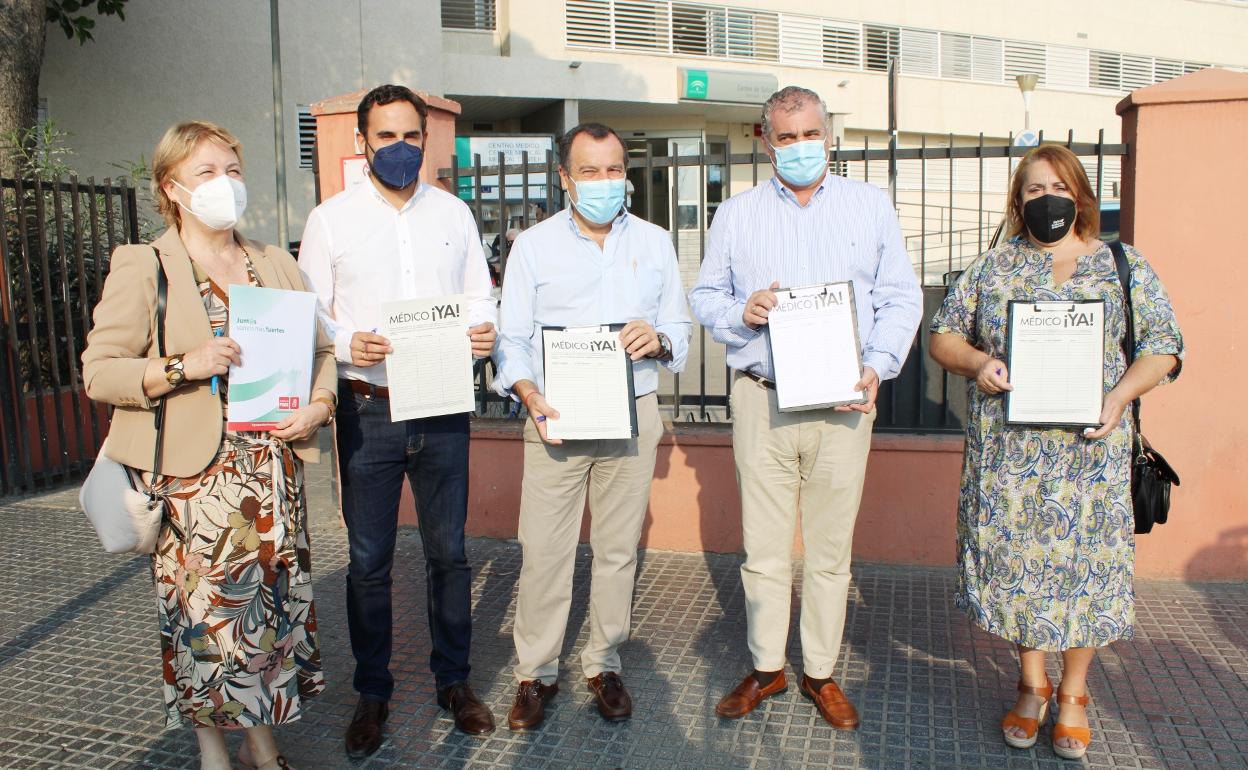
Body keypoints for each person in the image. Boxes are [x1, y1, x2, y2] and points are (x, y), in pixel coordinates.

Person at [82, 121, 337, 770]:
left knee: (264, 625)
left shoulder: (275, 261)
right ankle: (214, 756)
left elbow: (323, 350)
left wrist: (320, 404)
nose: (224, 184)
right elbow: (100, 370)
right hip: (194, 489)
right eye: (205, 173)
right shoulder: (145, 265)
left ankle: (260, 746)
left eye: (230, 169)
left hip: (271, 478)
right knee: (206, 629)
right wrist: (181, 366)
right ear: (172, 188)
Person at [929, 144, 1182, 760]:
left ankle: (1073, 694)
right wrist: (979, 362)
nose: (1049, 200)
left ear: (1080, 195)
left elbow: (1165, 348)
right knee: (1021, 573)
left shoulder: (1124, 265)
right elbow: (943, 337)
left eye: (1060, 188)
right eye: (1036, 190)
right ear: (1019, 200)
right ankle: (1031, 684)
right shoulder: (992, 268)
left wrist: (1119, 396)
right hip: (1011, 462)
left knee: (1084, 575)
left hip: (1090, 459)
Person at [688, 86, 922, 730]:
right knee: (763, 550)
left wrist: (877, 366)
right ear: (765, 141)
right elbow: (704, 295)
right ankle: (767, 668)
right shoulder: (736, 216)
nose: (798, 147)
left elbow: (902, 298)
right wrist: (742, 310)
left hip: (845, 403)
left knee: (829, 551)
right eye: (785, 137)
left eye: (809, 134)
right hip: (763, 401)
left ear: (829, 135)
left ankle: (819, 672)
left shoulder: (869, 207)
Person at [297, 84, 498, 755]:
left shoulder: (454, 213)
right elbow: (313, 309)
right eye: (387, 136)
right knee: (367, 562)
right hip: (369, 409)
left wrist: (483, 331)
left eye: (412, 135)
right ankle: (373, 692)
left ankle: (454, 682)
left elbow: (479, 293)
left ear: (426, 139)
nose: (402, 148)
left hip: (441, 406)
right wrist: (346, 340)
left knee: (449, 554)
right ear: (362, 143)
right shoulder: (330, 220)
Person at [493, 122, 691, 730]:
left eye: (613, 170)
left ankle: (603, 662)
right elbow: (512, 338)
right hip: (556, 417)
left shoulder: (655, 242)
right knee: (546, 551)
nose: (604, 183)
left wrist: (657, 338)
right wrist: (526, 390)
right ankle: (536, 673)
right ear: (565, 178)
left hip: (631, 415)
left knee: (616, 551)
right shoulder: (534, 246)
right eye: (589, 171)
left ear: (625, 175)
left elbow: (680, 332)